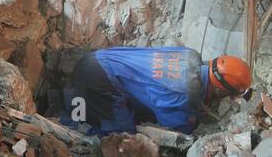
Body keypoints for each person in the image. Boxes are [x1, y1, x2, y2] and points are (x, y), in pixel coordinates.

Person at [64, 47, 252, 135]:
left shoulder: (189, 55)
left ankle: (70, 98)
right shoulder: (184, 93)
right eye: (228, 95)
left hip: (97, 57)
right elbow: (172, 124)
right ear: (220, 90)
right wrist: (191, 121)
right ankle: (76, 128)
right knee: (124, 135)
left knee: (135, 102)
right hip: (100, 78)